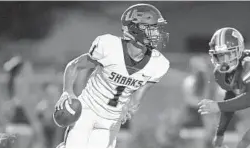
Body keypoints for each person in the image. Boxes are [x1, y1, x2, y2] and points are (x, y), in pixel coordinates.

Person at [55, 3, 170, 148]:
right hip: (87, 109)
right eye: (151, 28)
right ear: (134, 28)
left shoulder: (158, 63)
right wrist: (68, 91)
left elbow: (139, 93)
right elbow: (75, 65)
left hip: (111, 120)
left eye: (156, 28)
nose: (156, 33)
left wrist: (130, 106)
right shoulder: (108, 46)